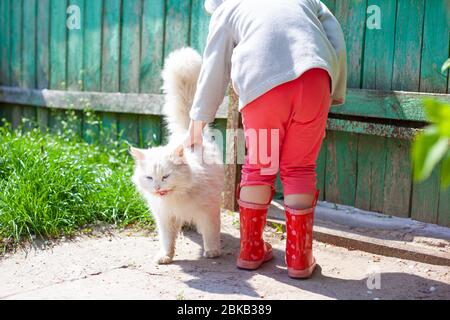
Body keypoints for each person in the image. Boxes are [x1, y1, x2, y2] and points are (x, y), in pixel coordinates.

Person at [182, 0, 347, 278]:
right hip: (315, 77)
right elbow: (335, 35)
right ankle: (299, 259)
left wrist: (197, 124)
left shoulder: (228, 9)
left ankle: (251, 250)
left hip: (263, 86)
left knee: (260, 167)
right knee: (300, 168)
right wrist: (334, 88)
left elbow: (213, 70)